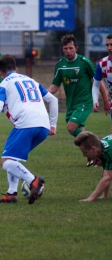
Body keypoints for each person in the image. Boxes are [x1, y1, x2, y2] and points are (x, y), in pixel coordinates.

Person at [0, 55, 58, 204]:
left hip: (26, 123)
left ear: (0, 73)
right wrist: (53, 124)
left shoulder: (3, 85)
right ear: (16, 69)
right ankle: (11, 194)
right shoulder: (31, 80)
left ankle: (34, 181)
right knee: (12, 158)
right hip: (43, 126)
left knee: (5, 162)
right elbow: (53, 99)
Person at [48, 34, 110, 167]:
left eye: (71, 48)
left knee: (71, 127)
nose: (68, 51)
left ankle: (100, 150)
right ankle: (92, 156)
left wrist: (105, 100)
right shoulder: (60, 65)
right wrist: (42, 95)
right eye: (66, 48)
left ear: (76, 48)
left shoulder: (84, 62)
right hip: (71, 104)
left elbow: (97, 81)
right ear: (62, 49)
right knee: (80, 132)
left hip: (84, 102)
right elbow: (54, 85)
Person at [74, 131, 112, 202]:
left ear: (93, 149)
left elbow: (107, 178)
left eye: (85, 152)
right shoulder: (101, 148)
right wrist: (105, 196)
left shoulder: (109, 151)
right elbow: (105, 173)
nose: (84, 155)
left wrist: (91, 198)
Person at [92, 33, 112, 133]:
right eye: (107, 45)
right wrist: (95, 100)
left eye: (111, 45)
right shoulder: (103, 63)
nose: (109, 47)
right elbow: (96, 84)